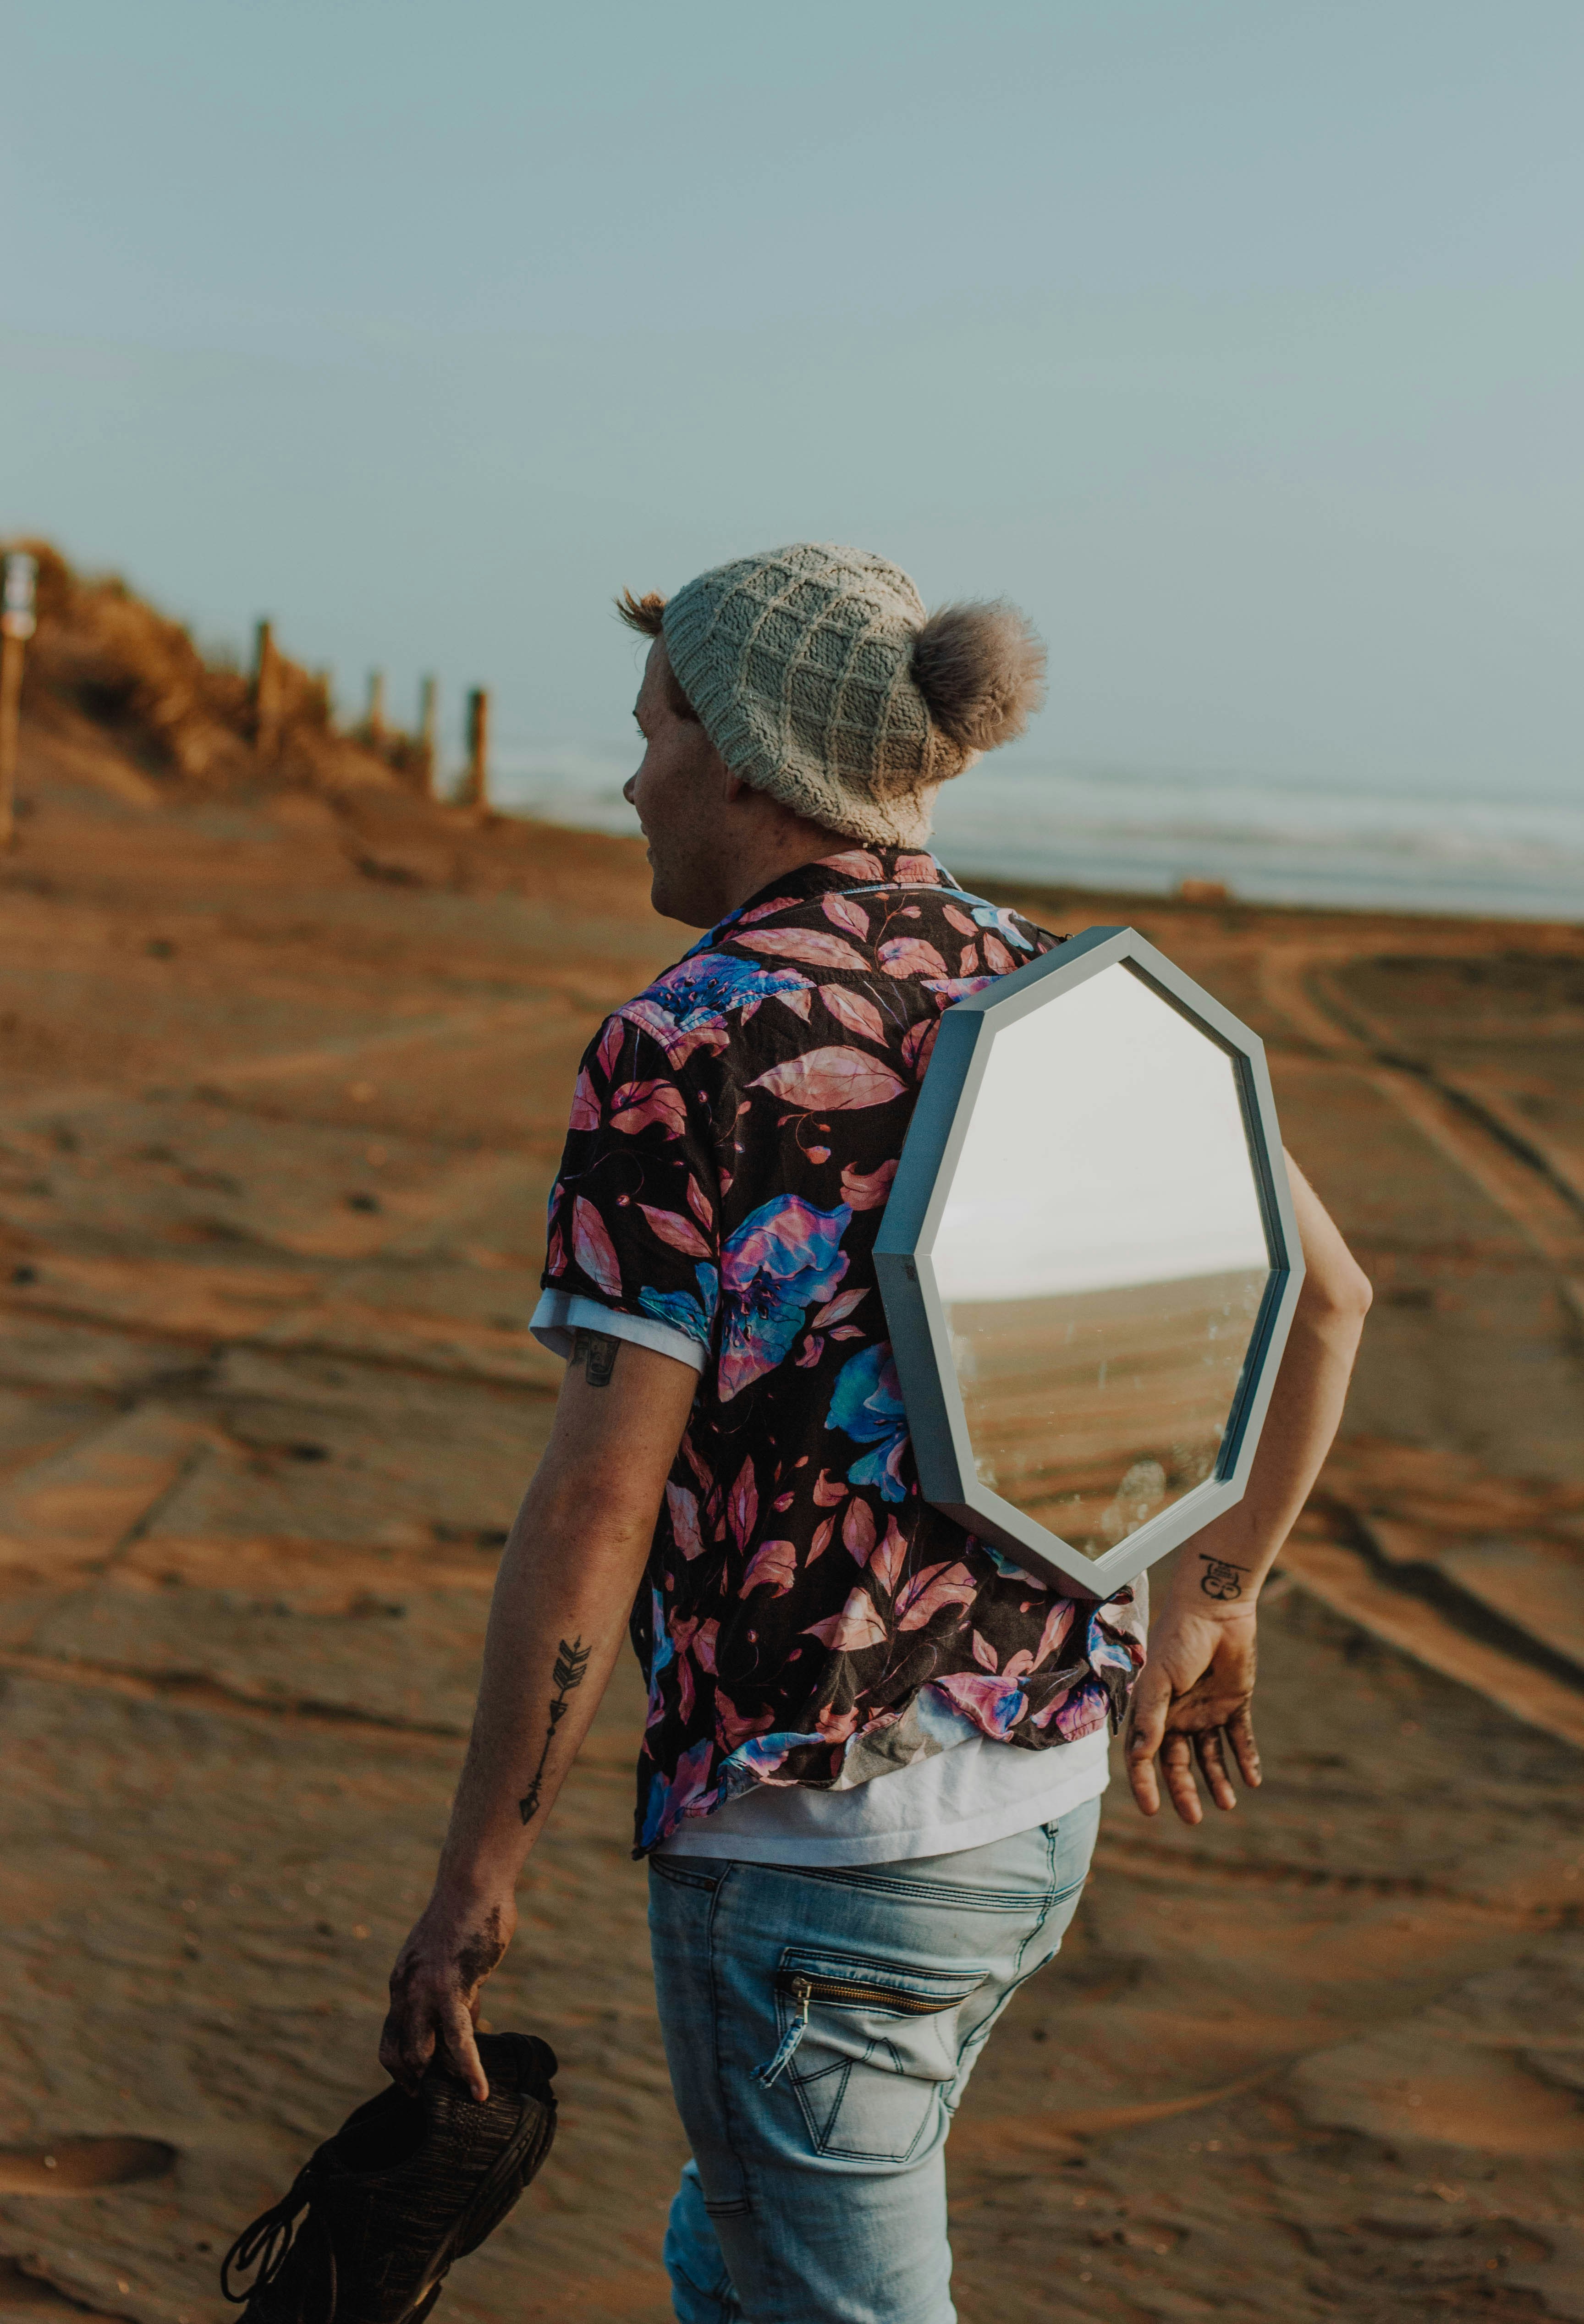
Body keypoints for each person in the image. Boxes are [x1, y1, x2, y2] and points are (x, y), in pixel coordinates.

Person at [380, 544, 1372, 2324]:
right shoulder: (1064, 987)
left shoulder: (687, 1041)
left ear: (751, 757)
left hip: (816, 1846)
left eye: (655, 730)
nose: (631, 776)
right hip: (1038, 1799)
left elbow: (603, 1498)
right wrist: (1213, 1593)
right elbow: (1329, 1297)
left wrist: (478, 1871)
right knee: (746, 2237)